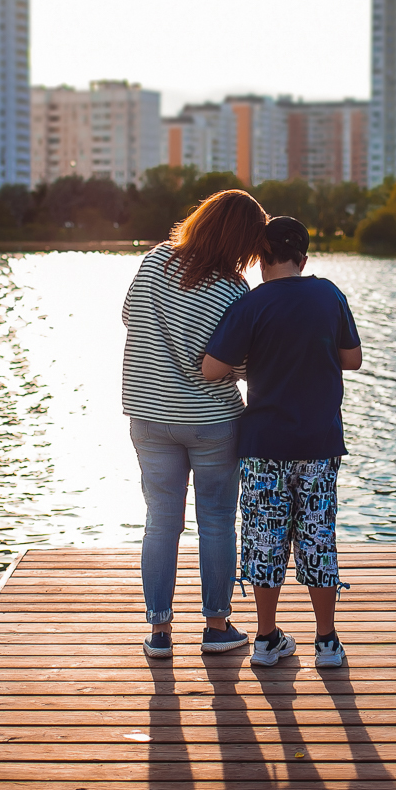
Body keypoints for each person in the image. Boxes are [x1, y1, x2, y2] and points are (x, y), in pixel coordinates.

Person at [201, 216, 361, 669]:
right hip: (319, 441)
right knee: (317, 537)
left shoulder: (252, 304)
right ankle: (326, 642)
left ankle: (266, 639)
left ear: (260, 258)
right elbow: (354, 358)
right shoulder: (329, 294)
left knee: (265, 539)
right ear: (303, 258)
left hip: (264, 444)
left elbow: (212, 369)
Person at [121, 189, 266, 658]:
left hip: (148, 415)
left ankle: (160, 634)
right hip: (211, 421)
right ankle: (216, 627)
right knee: (218, 521)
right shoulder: (233, 289)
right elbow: (240, 365)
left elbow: (128, 317)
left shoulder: (156, 259)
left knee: (161, 523)